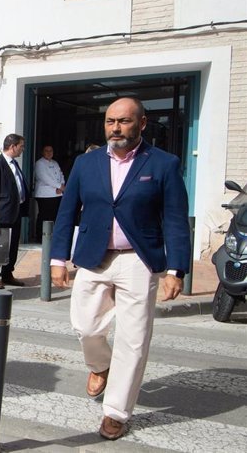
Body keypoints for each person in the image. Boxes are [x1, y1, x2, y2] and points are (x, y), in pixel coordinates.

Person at [50, 97, 191, 441]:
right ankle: (100, 365)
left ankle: (116, 411)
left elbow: (175, 218)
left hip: (138, 259)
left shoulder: (163, 164)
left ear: (142, 124)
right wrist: (57, 259)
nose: (116, 128)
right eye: (110, 121)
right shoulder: (86, 164)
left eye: (124, 121)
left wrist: (177, 269)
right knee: (85, 326)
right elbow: (68, 213)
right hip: (94, 257)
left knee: (133, 339)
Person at [0, 133, 30, 289]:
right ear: (13, 146)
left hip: (15, 212)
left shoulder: (14, 164)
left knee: (13, 246)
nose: (23, 149)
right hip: (2, 214)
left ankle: (8, 273)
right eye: (21, 146)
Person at [33, 145, 66, 242]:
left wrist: (62, 185)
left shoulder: (55, 163)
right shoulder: (39, 163)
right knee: (44, 216)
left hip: (57, 194)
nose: (49, 152)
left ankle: (52, 237)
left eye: (51, 151)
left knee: (55, 216)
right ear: (42, 152)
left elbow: (61, 174)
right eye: (46, 151)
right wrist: (59, 186)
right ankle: (41, 237)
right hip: (45, 194)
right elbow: (44, 178)